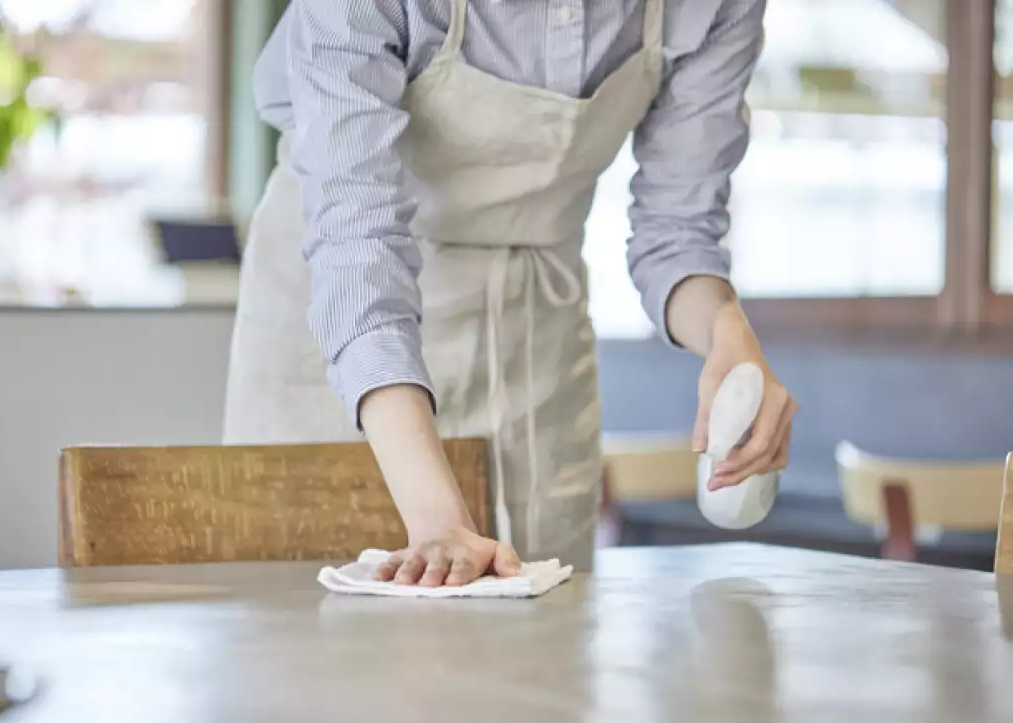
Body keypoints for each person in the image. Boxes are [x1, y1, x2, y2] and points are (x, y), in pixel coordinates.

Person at [224, 0, 796, 586]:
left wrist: (730, 338)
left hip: (535, 331)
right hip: (342, 326)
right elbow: (357, 248)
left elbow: (677, 234)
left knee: (538, 648)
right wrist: (438, 522)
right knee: (313, 644)